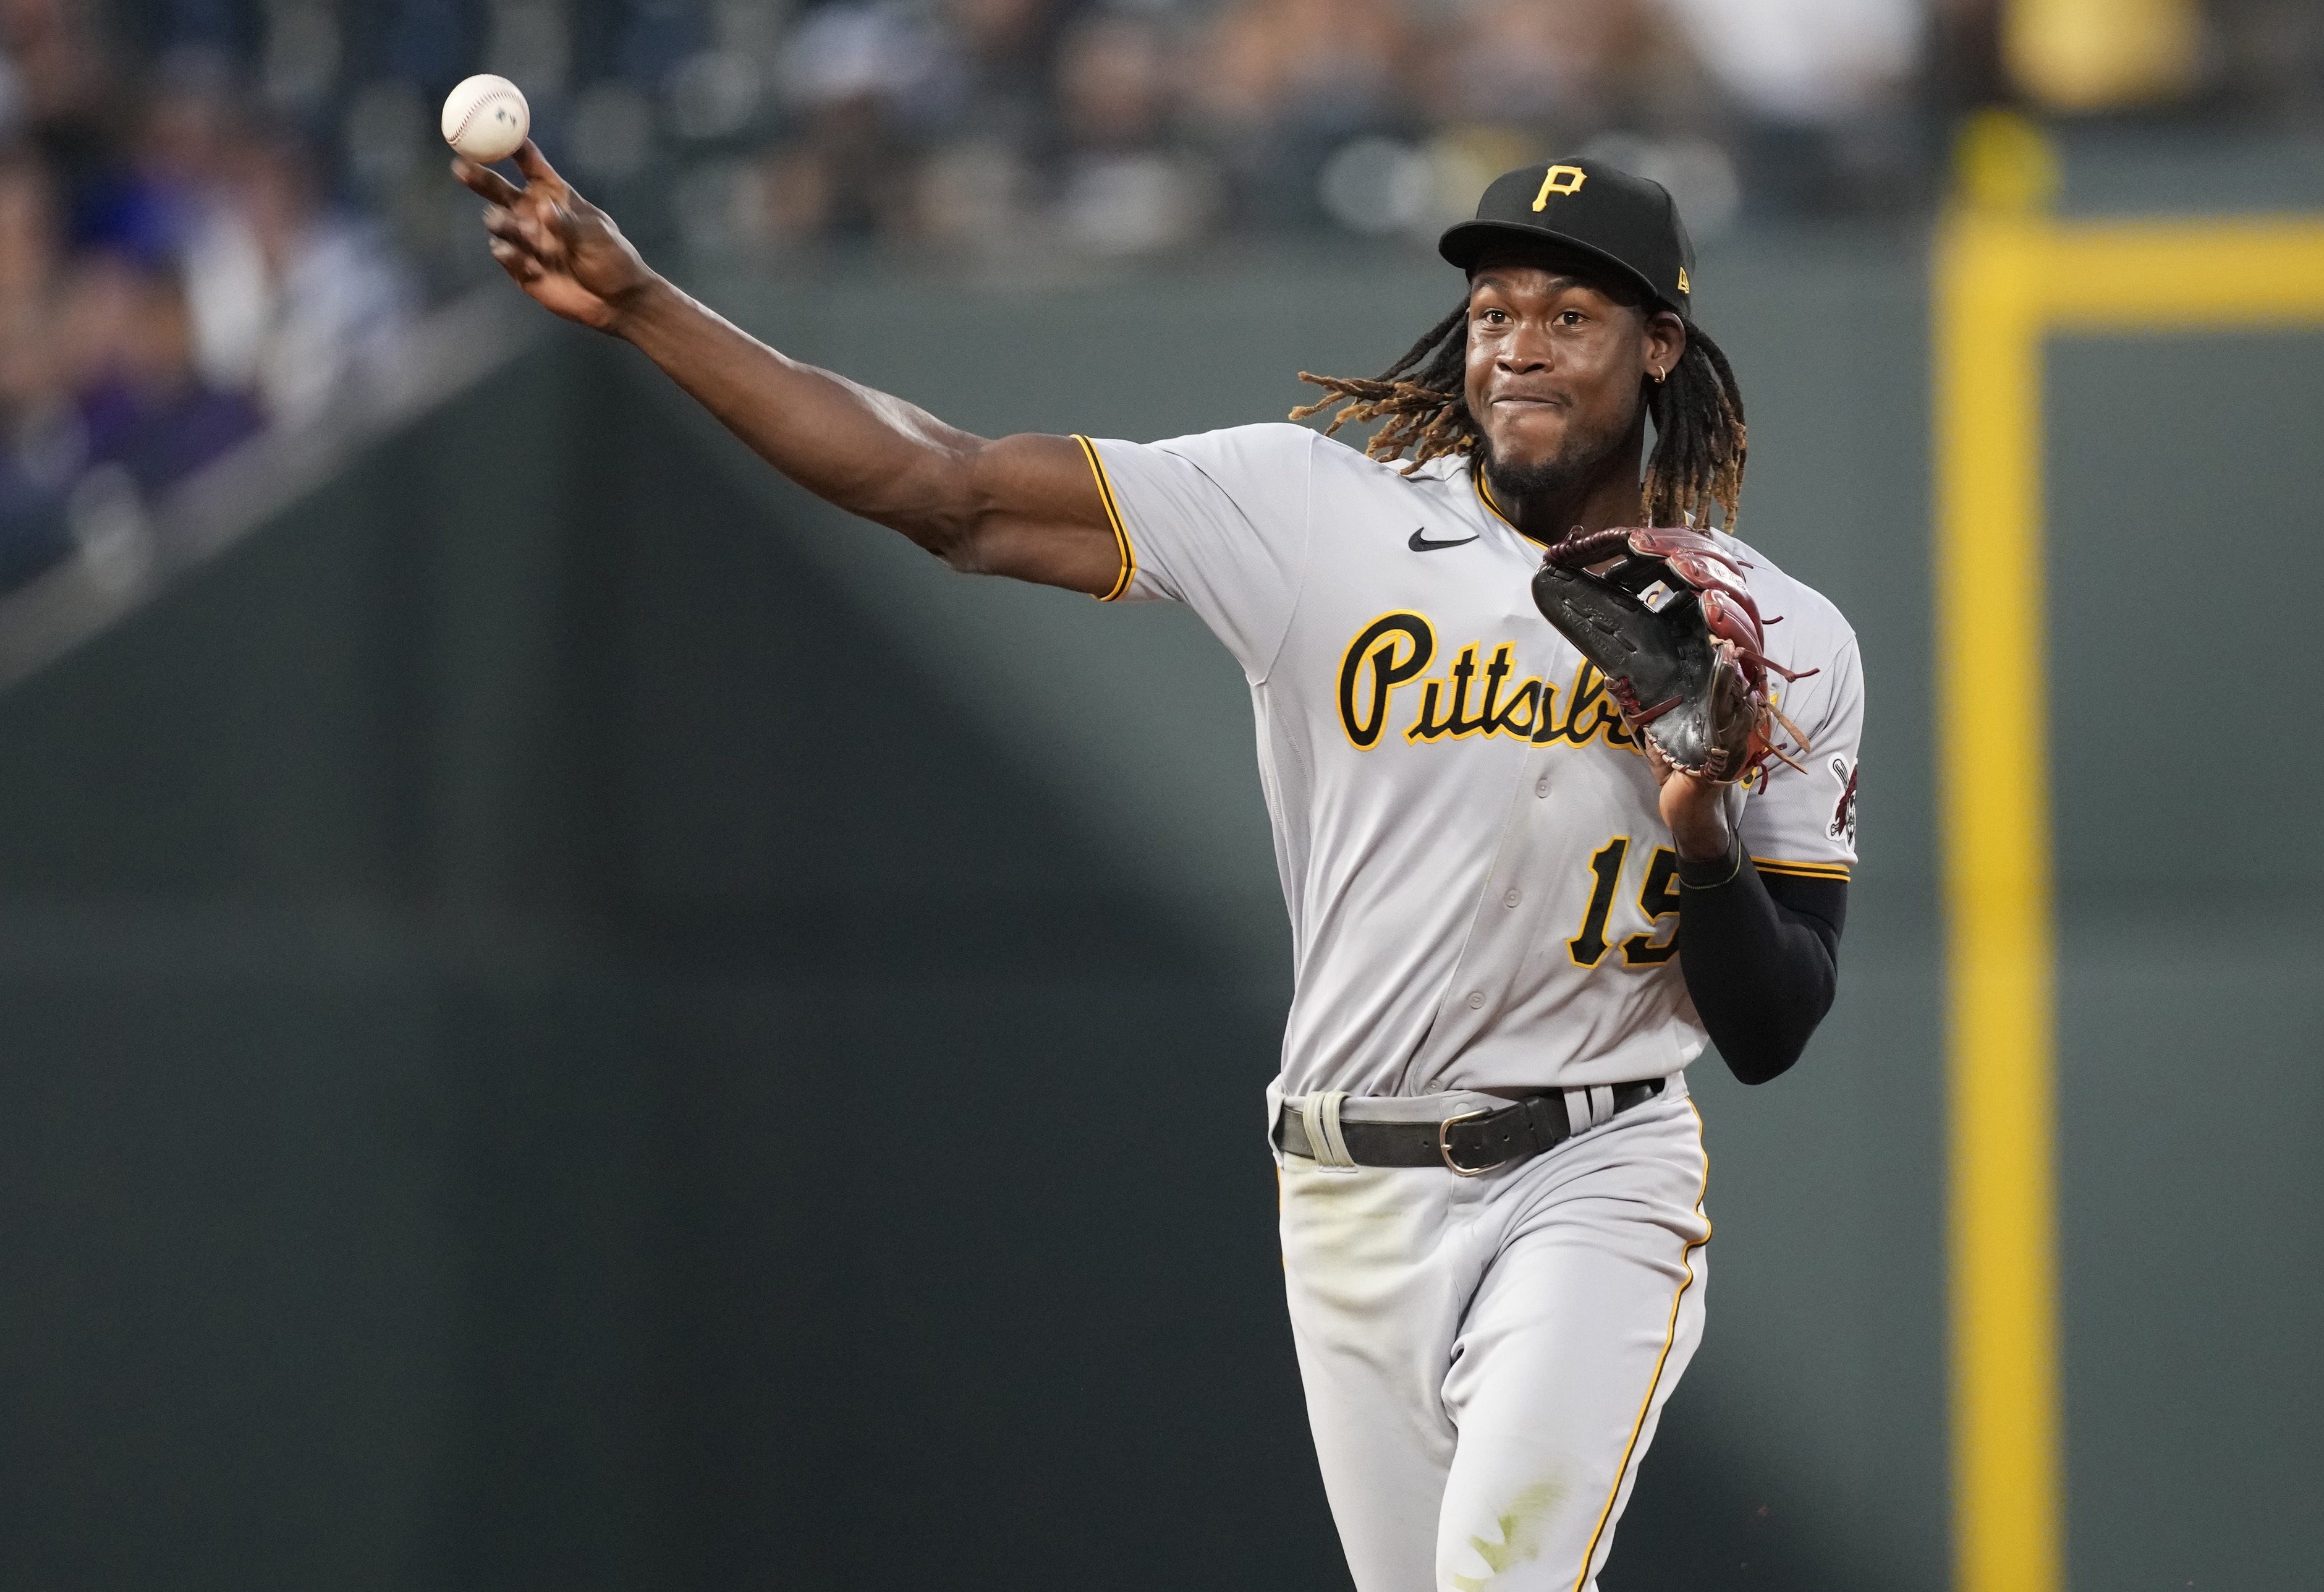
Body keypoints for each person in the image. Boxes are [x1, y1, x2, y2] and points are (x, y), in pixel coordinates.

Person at [452, 143, 1862, 1590]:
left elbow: (1772, 1025)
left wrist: (1699, 833)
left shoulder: (1783, 638)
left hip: (1593, 1168)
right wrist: (639, 302)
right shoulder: (1319, 515)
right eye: (1497, 308)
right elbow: (945, 490)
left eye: (1570, 315)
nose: (1517, 347)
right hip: (1346, 1186)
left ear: (1660, 346)